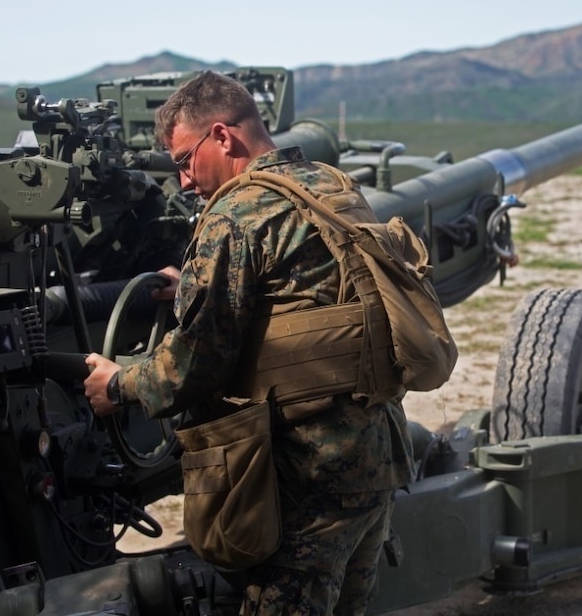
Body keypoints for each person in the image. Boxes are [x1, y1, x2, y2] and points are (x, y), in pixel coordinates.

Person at [83, 70, 415, 615]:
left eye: (185, 160)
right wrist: (189, 285)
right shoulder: (330, 185)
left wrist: (118, 383)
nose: (184, 181)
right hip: (374, 456)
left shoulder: (235, 216)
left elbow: (195, 364)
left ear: (222, 136)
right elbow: (295, 297)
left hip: (304, 475)